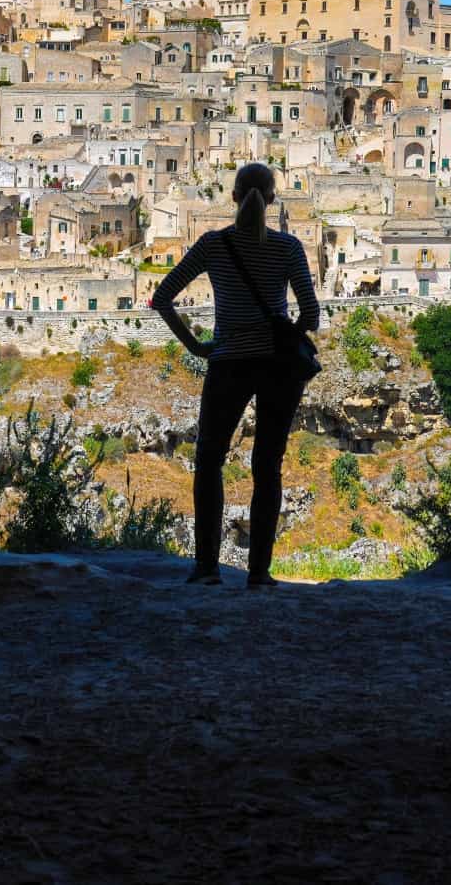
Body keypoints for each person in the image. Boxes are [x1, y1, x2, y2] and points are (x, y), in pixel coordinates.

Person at [149, 161, 321, 587]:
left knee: (209, 459)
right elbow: (312, 315)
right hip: (279, 367)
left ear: (233, 198)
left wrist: (197, 346)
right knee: (267, 466)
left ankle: (207, 567)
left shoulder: (213, 245)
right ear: (273, 199)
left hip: (227, 362)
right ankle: (259, 573)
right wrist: (280, 332)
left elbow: (163, 297)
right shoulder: (289, 248)